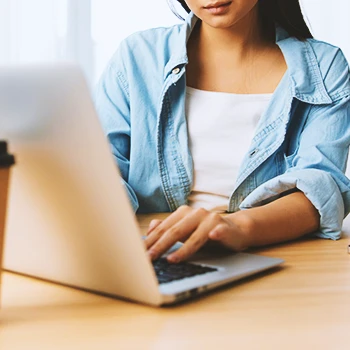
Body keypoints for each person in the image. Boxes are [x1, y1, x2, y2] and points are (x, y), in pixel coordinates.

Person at [94, 0, 350, 263]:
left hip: (270, 259)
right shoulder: (137, 57)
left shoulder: (324, 67)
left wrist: (238, 227)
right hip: (151, 254)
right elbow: (100, 174)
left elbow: (319, 190)